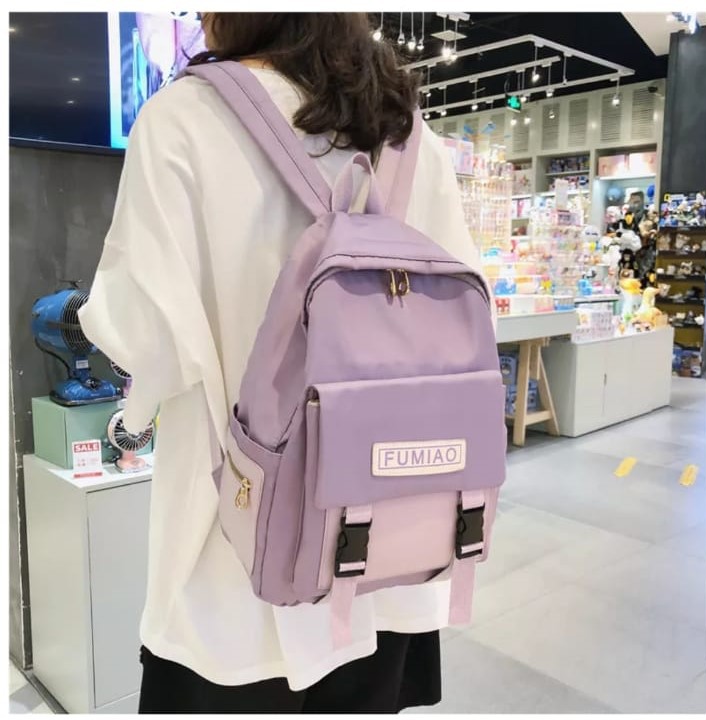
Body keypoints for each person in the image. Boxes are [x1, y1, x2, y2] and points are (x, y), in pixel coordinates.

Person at [80, 12, 485, 713]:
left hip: (236, 561)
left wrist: (135, 409)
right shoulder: (407, 132)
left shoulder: (183, 117)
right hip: (395, 548)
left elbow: (145, 339)